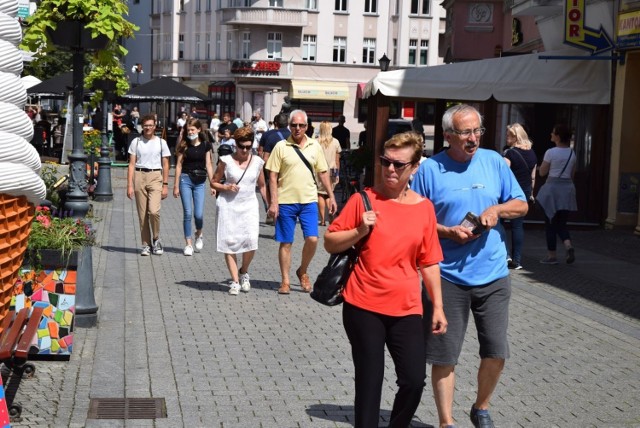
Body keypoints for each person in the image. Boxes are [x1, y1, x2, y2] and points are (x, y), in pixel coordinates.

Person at [411, 104, 528, 428]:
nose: (474, 138)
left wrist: (497, 209)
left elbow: (521, 204)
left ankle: (482, 407)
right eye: (466, 132)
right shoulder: (430, 170)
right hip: (446, 276)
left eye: (478, 131)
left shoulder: (494, 162)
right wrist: (447, 231)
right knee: (444, 353)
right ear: (449, 135)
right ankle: (446, 421)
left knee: (496, 349)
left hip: (492, 275)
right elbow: (414, 219)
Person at [324, 131, 447, 427]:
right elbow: (330, 242)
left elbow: (429, 262)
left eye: (399, 164)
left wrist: (439, 307)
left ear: (415, 168)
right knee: (370, 380)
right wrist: (358, 232)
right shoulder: (362, 200)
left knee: (414, 380)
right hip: (363, 304)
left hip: (407, 308)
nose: (390, 169)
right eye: (385, 162)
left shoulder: (424, 209)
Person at [265, 109, 337, 294]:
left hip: (309, 200)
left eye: (301, 125)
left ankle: (302, 270)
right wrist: (273, 202)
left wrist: (331, 196)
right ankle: (285, 281)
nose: (297, 128)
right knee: (286, 242)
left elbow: (323, 172)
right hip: (286, 201)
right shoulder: (281, 146)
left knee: (312, 238)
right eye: (294, 125)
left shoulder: (315, 146)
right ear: (289, 126)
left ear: (307, 126)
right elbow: (272, 176)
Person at [212, 127, 268, 295]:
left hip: (249, 205)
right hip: (228, 206)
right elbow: (214, 182)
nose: (244, 150)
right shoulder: (225, 160)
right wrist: (226, 186)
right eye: (241, 146)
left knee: (251, 241)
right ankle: (235, 281)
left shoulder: (257, 162)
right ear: (235, 144)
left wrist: (270, 205)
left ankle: (244, 270)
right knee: (229, 243)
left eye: (248, 146)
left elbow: (262, 185)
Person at [127, 114, 171, 256]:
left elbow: (165, 164)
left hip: (155, 175)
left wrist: (165, 184)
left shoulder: (161, 142)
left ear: (155, 126)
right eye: (145, 125)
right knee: (142, 214)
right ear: (142, 126)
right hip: (140, 175)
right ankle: (145, 244)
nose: (148, 128)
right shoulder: (136, 142)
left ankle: (156, 239)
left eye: (150, 125)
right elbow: (131, 164)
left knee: (153, 211)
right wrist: (129, 185)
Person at [173, 118, 216, 256]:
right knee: (187, 213)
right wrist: (175, 185)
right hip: (185, 179)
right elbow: (179, 166)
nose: (190, 132)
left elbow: (209, 164)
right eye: (188, 130)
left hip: (200, 181)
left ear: (199, 130)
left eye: (192, 129)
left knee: (198, 214)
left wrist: (213, 183)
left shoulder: (206, 145)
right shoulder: (183, 145)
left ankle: (199, 233)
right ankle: (188, 244)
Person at [535, 123, 577, 265]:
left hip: (553, 190)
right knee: (562, 223)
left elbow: (542, 172)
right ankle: (568, 246)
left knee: (551, 224)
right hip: (567, 189)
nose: (551, 135)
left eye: (553, 133)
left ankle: (552, 256)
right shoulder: (572, 153)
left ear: (558, 136)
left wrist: (540, 168)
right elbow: (572, 174)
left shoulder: (551, 152)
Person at [502, 123, 538, 270]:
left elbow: (503, 173)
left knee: (499, 222)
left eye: (508, 135)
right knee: (518, 226)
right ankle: (517, 260)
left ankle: (505, 255)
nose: (506, 137)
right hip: (524, 191)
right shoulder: (532, 153)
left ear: (515, 137)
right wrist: (531, 193)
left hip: (510, 192)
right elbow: (533, 177)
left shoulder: (510, 153)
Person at [259, 114, 291, 224]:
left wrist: (267, 171)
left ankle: (271, 213)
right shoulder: (294, 136)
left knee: (271, 191)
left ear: (275, 123)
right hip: (289, 171)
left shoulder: (269, 136)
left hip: (273, 170)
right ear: (288, 123)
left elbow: (262, 155)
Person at [316, 121, 341, 226]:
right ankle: (331, 212)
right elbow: (337, 160)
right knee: (330, 193)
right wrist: (338, 173)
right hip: (332, 170)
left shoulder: (316, 142)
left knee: (320, 194)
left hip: (319, 170)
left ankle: (322, 220)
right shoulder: (335, 142)